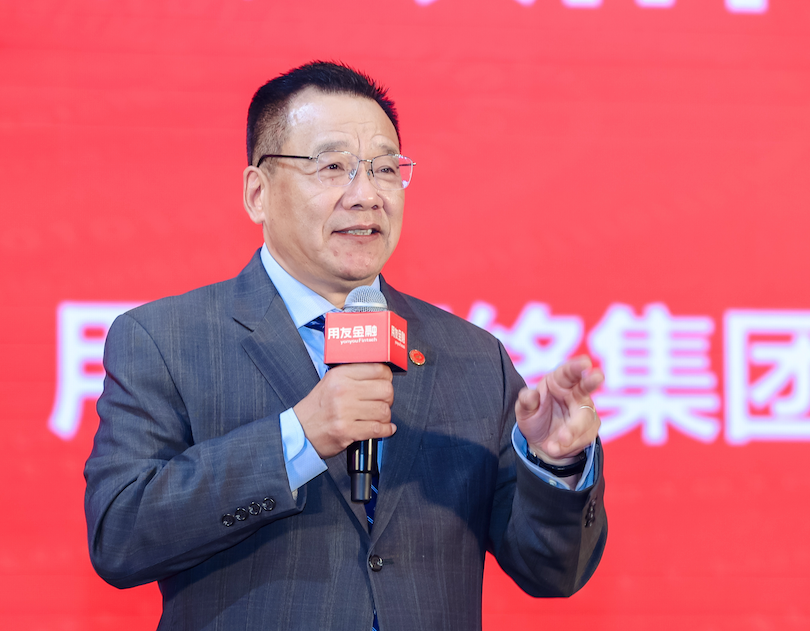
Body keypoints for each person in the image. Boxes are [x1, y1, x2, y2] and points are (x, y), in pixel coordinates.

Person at [84, 61, 607, 631]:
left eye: (385, 169)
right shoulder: (166, 340)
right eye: (332, 167)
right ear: (258, 194)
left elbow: (551, 571)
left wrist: (553, 465)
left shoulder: (474, 358)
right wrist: (299, 437)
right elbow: (121, 535)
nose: (366, 195)